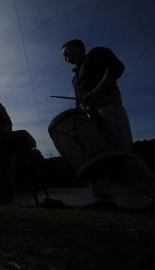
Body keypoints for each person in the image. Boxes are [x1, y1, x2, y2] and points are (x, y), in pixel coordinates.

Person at [62, 39, 155, 209]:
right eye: (63, 55)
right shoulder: (74, 79)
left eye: (67, 52)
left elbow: (116, 69)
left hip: (108, 108)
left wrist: (94, 93)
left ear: (80, 48)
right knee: (93, 156)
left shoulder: (97, 53)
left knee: (120, 154)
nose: (65, 57)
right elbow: (81, 101)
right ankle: (104, 200)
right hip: (91, 117)